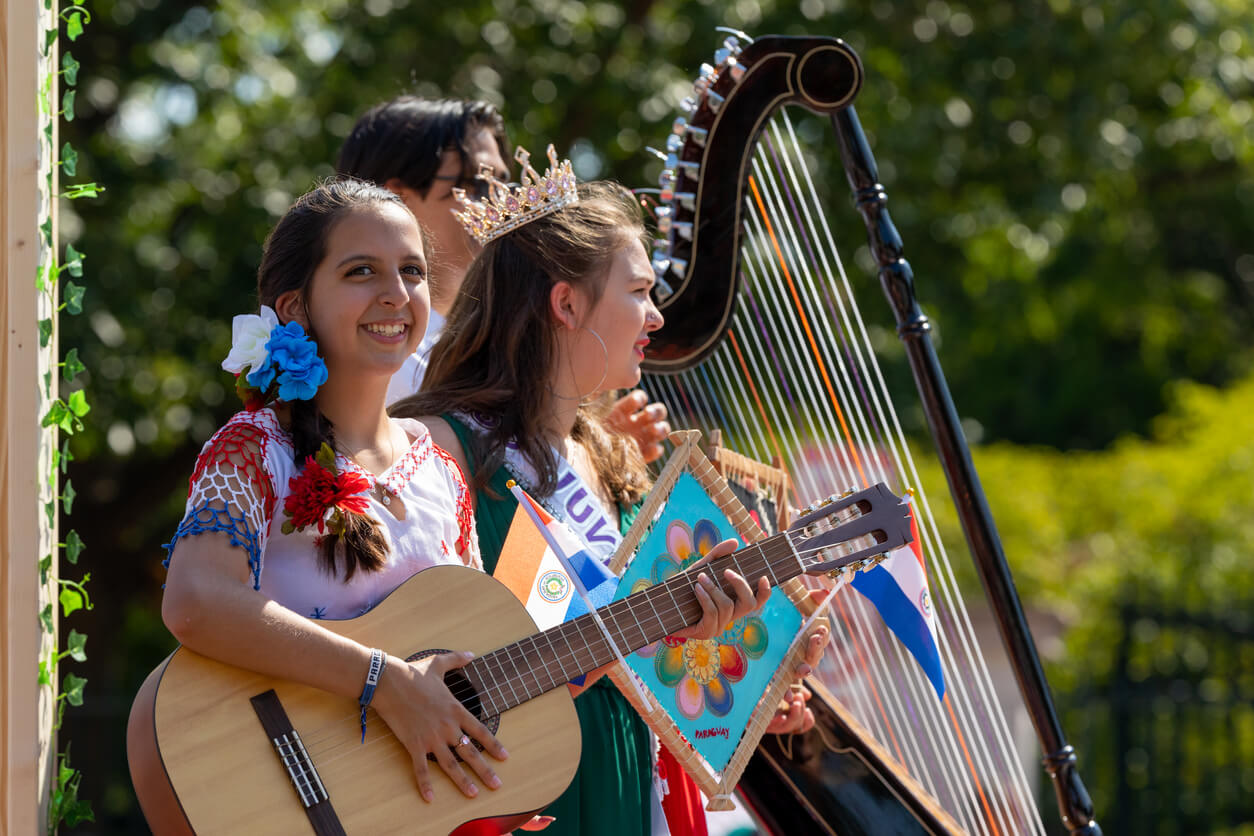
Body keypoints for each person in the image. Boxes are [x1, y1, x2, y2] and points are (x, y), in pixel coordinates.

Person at [157, 176, 753, 829]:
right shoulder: (253, 448)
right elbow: (195, 603)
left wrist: (670, 619)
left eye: (412, 271)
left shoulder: (439, 470)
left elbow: (499, 666)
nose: (395, 293)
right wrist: (384, 682)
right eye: (362, 271)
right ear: (296, 307)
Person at [394, 150, 824, 836]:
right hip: (503, 793)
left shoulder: (614, 463)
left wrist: (748, 676)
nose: (655, 318)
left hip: (622, 781)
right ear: (566, 303)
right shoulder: (436, 448)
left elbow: (617, 654)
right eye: (640, 292)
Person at [337, 95, 672, 462]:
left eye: (504, 184)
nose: (499, 201)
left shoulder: (507, 343)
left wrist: (592, 453)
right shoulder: (371, 353)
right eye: (479, 185)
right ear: (395, 197)